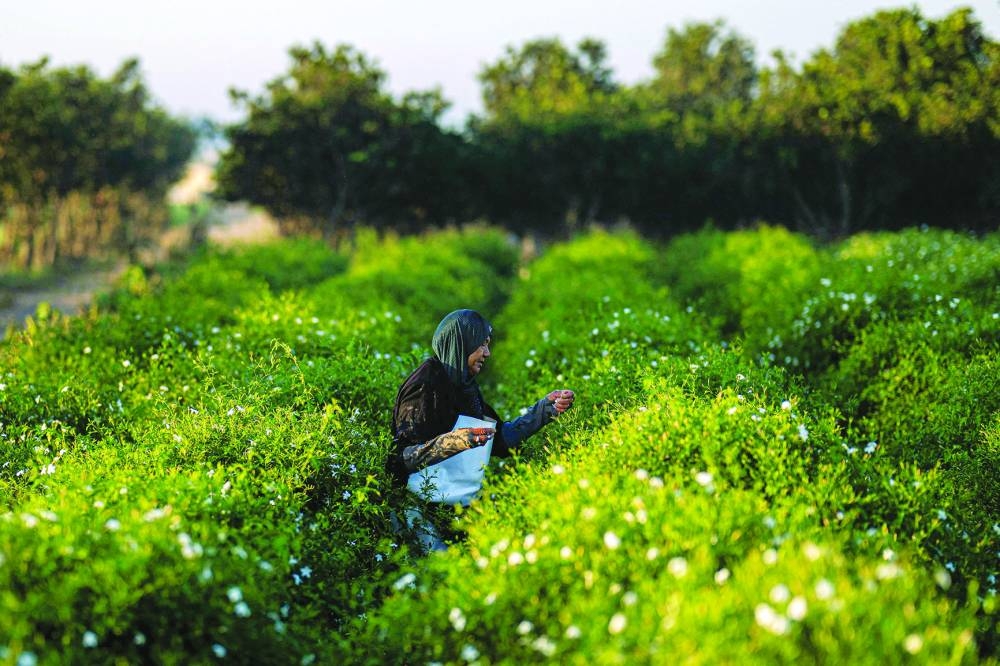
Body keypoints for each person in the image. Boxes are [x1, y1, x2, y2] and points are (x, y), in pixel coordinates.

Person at [388, 309, 574, 550]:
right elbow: (400, 457)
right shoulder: (425, 386)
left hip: (455, 506)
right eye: (481, 345)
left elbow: (501, 440)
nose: (487, 353)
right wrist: (452, 442)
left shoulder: (465, 387)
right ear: (462, 343)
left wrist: (545, 410)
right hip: (419, 510)